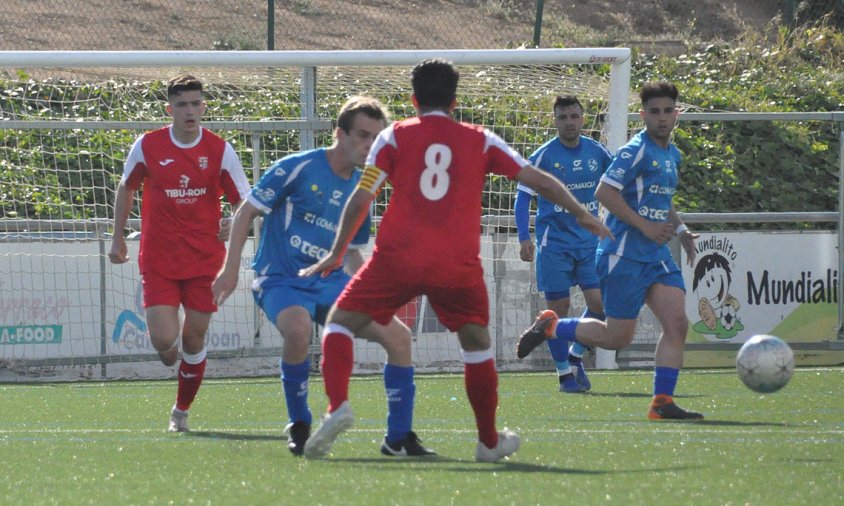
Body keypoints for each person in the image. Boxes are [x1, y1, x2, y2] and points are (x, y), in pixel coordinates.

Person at [299, 59, 612, 462]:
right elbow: (538, 180)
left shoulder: (392, 136)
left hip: (398, 256)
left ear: (413, 100)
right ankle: (487, 441)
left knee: (339, 323)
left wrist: (338, 251)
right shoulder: (480, 139)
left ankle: (338, 404)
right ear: (455, 101)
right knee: (476, 344)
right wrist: (582, 212)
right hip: (456, 262)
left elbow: (362, 197)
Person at [212, 96, 435, 457]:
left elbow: (351, 252)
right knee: (298, 329)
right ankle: (299, 424)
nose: (369, 145)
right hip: (281, 278)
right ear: (339, 134)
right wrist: (231, 266)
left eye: (376, 139)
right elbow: (245, 212)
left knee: (399, 336)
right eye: (362, 135)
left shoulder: (366, 186)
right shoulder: (297, 167)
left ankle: (399, 438)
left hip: (330, 282)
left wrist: (376, 289)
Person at [517, 81, 704, 420]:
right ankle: (553, 328)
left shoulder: (671, 154)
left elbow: (660, 199)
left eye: (667, 111)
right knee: (618, 337)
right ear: (644, 115)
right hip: (623, 255)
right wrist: (645, 226)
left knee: (677, 324)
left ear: (677, 113)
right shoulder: (636, 150)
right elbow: (604, 193)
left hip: (656, 255)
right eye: (654, 112)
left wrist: (680, 229)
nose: (661, 118)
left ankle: (662, 403)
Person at [109, 74, 251, 432]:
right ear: (169, 108)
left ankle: (181, 411)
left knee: (194, 337)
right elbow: (127, 189)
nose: (190, 111)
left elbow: (244, 203)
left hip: (205, 260)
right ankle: (170, 356)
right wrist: (118, 237)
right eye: (182, 104)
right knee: (164, 342)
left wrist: (233, 225)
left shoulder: (220, 150)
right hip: (159, 258)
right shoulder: (149, 145)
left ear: (203, 106)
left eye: (195, 103)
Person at [514, 95, 613, 393]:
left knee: (601, 305)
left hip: (588, 245)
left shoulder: (598, 153)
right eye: (563, 117)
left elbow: (617, 187)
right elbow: (523, 198)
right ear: (554, 120)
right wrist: (524, 236)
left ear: (583, 118)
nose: (569, 122)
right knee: (557, 310)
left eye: (574, 116)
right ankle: (564, 376)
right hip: (553, 245)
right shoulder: (543, 156)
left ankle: (574, 356)